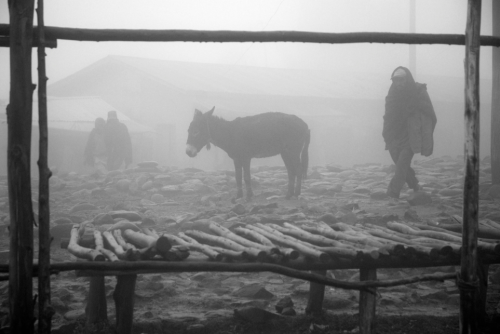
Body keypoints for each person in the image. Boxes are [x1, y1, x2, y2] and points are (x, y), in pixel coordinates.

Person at [382, 66, 437, 199]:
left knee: (401, 164)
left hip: (410, 136)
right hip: (393, 136)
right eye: (396, 80)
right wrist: (386, 135)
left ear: (407, 80)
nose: (399, 83)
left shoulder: (417, 92)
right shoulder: (392, 95)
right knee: (401, 164)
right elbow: (388, 116)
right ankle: (415, 185)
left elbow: (429, 113)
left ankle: (393, 193)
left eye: (401, 80)